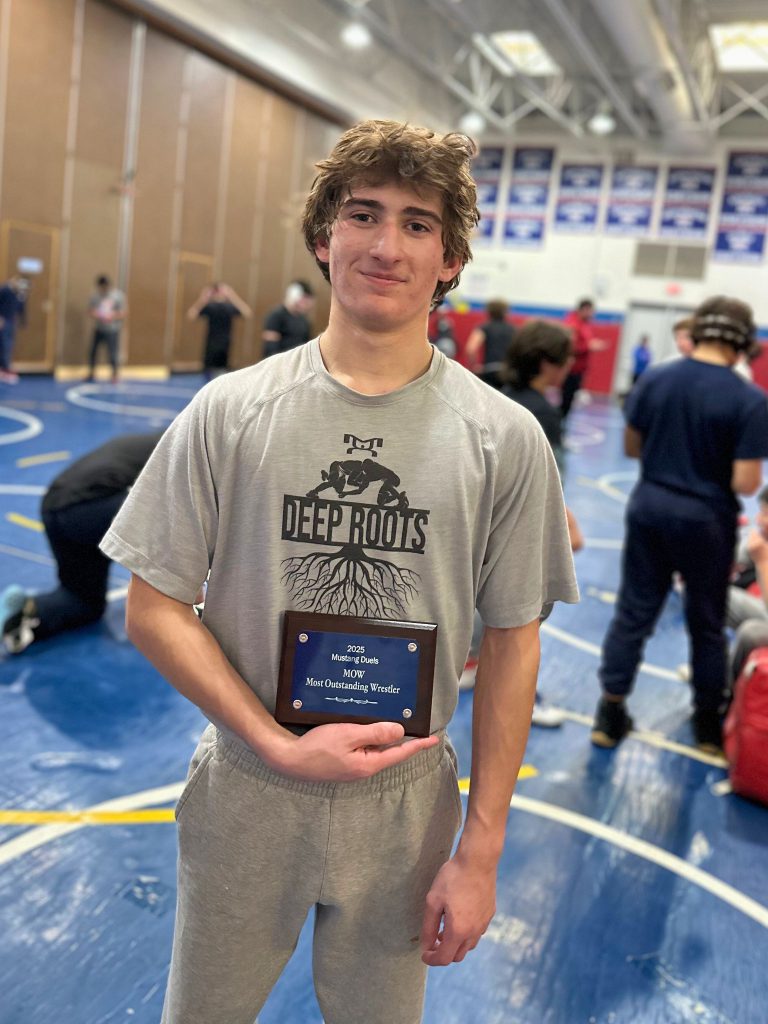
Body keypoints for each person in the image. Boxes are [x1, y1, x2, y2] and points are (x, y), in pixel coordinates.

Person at [100, 119, 579, 1024]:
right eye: (363, 215)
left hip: (405, 806)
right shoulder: (231, 411)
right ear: (325, 239)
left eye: (417, 223)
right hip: (249, 784)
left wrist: (482, 849)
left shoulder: (505, 438)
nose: (386, 244)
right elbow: (154, 605)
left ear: (450, 259)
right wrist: (275, 742)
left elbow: (515, 643)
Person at [592, 296, 768, 755]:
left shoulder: (656, 378)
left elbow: (632, 448)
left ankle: (609, 713)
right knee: (706, 622)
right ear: (742, 345)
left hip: (650, 505)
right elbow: (746, 481)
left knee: (634, 612)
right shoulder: (749, 399)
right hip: (707, 518)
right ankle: (707, 725)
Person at [0, 432, 163, 654]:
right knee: (176, 522)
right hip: (93, 505)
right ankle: (175, 615)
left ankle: (29, 610)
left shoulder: (177, 435)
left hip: (56, 506)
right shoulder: (195, 448)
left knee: (82, 602)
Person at [187, 282, 252, 379]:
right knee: (211, 369)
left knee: (219, 371)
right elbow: (191, 315)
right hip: (212, 343)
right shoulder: (211, 307)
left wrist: (232, 296)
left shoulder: (228, 307)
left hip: (224, 343)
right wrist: (204, 299)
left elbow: (247, 313)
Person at [560, 297, 601, 420]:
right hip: (571, 369)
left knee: (569, 401)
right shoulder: (572, 323)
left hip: (578, 370)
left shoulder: (584, 324)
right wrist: (588, 346)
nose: (592, 314)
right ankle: (557, 428)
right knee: (566, 401)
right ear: (584, 309)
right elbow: (570, 346)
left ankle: (561, 425)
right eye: (590, 311)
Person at [464, 299, 514, 388]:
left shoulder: (484, 328)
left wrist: (474, 366)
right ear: (506, 312)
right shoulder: (513, 330)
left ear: (488, 312)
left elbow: (471, 349)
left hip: (489, 371)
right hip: (507, 372)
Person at [86, 275, 126, 382]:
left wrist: (112, 315)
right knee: (93, 351)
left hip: (112, 329)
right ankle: (91, 372)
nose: (103, 289)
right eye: (101, 287)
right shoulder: (95, 296)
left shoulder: (117, 296)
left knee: (113, 352)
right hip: (99, 328)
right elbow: (90, 310)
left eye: (105, 287)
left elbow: (123, 313)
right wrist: (97, 315)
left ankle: (114, 374)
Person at [261, 279, 315, 358]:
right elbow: (270, 349)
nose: (307, 304)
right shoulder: (276, 316)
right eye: (305, 299)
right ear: (294, 296)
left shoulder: (304, 321)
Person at [0, 275, 28, 384]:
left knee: (9, 345)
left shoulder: (19, 294)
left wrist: (23, 321)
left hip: (12, 321)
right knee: (4, 344)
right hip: (4, 320)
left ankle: (5, 367)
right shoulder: (4, 290)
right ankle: (4, 368)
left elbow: (21, 308)